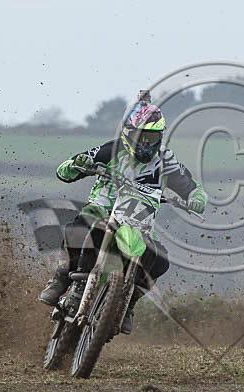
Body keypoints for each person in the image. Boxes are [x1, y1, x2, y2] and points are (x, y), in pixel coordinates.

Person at [38, 95, 207, 335]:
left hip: (138, 221)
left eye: (153, 138)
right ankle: (63, 278)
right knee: (81, 227)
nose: (147, 144)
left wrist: (196, 199)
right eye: (142, 137)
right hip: (102, 209)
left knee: (160, 259)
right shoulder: (112, 150)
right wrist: (77, 164)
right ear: (129, 133)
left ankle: (128, 304)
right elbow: (65, 171)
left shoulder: (165, 160)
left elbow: (192, 187)